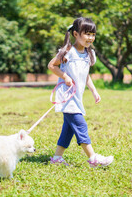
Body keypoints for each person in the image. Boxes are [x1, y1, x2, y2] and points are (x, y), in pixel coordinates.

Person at [48, 17, 114, 168]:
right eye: (87, 34)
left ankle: (57, 158)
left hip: (77, 97)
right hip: (67, 96)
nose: (91, 38)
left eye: (93, 34)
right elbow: (51, 65)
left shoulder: (89, 54)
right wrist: (65, 76)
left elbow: (86, 76)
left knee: (69, 128)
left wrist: (94, 90)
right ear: (76, 34)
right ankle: (93, 158)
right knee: (80, 125)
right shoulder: (68, 52)